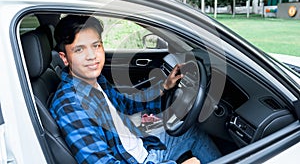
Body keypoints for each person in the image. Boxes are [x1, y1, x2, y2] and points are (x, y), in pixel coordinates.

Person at [50, 15, 221, 164]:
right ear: (64, 58)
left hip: (140, 143)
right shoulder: (70, 105)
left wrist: (163, 87)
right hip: (140, 159)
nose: (92, 56)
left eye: (96, 46)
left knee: (189, 131)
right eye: (79, 49)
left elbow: (126, 104)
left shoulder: (95, 81)